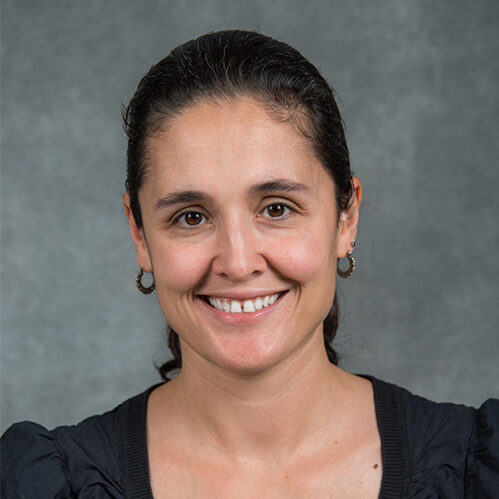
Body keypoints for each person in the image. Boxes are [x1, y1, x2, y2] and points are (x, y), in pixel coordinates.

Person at [1, 29, 498, 498]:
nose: (237, 263)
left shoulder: (477, 470)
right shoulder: (47, 483)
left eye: (276, 208)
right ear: (139, 232)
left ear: (346, 217)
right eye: (191, 216)